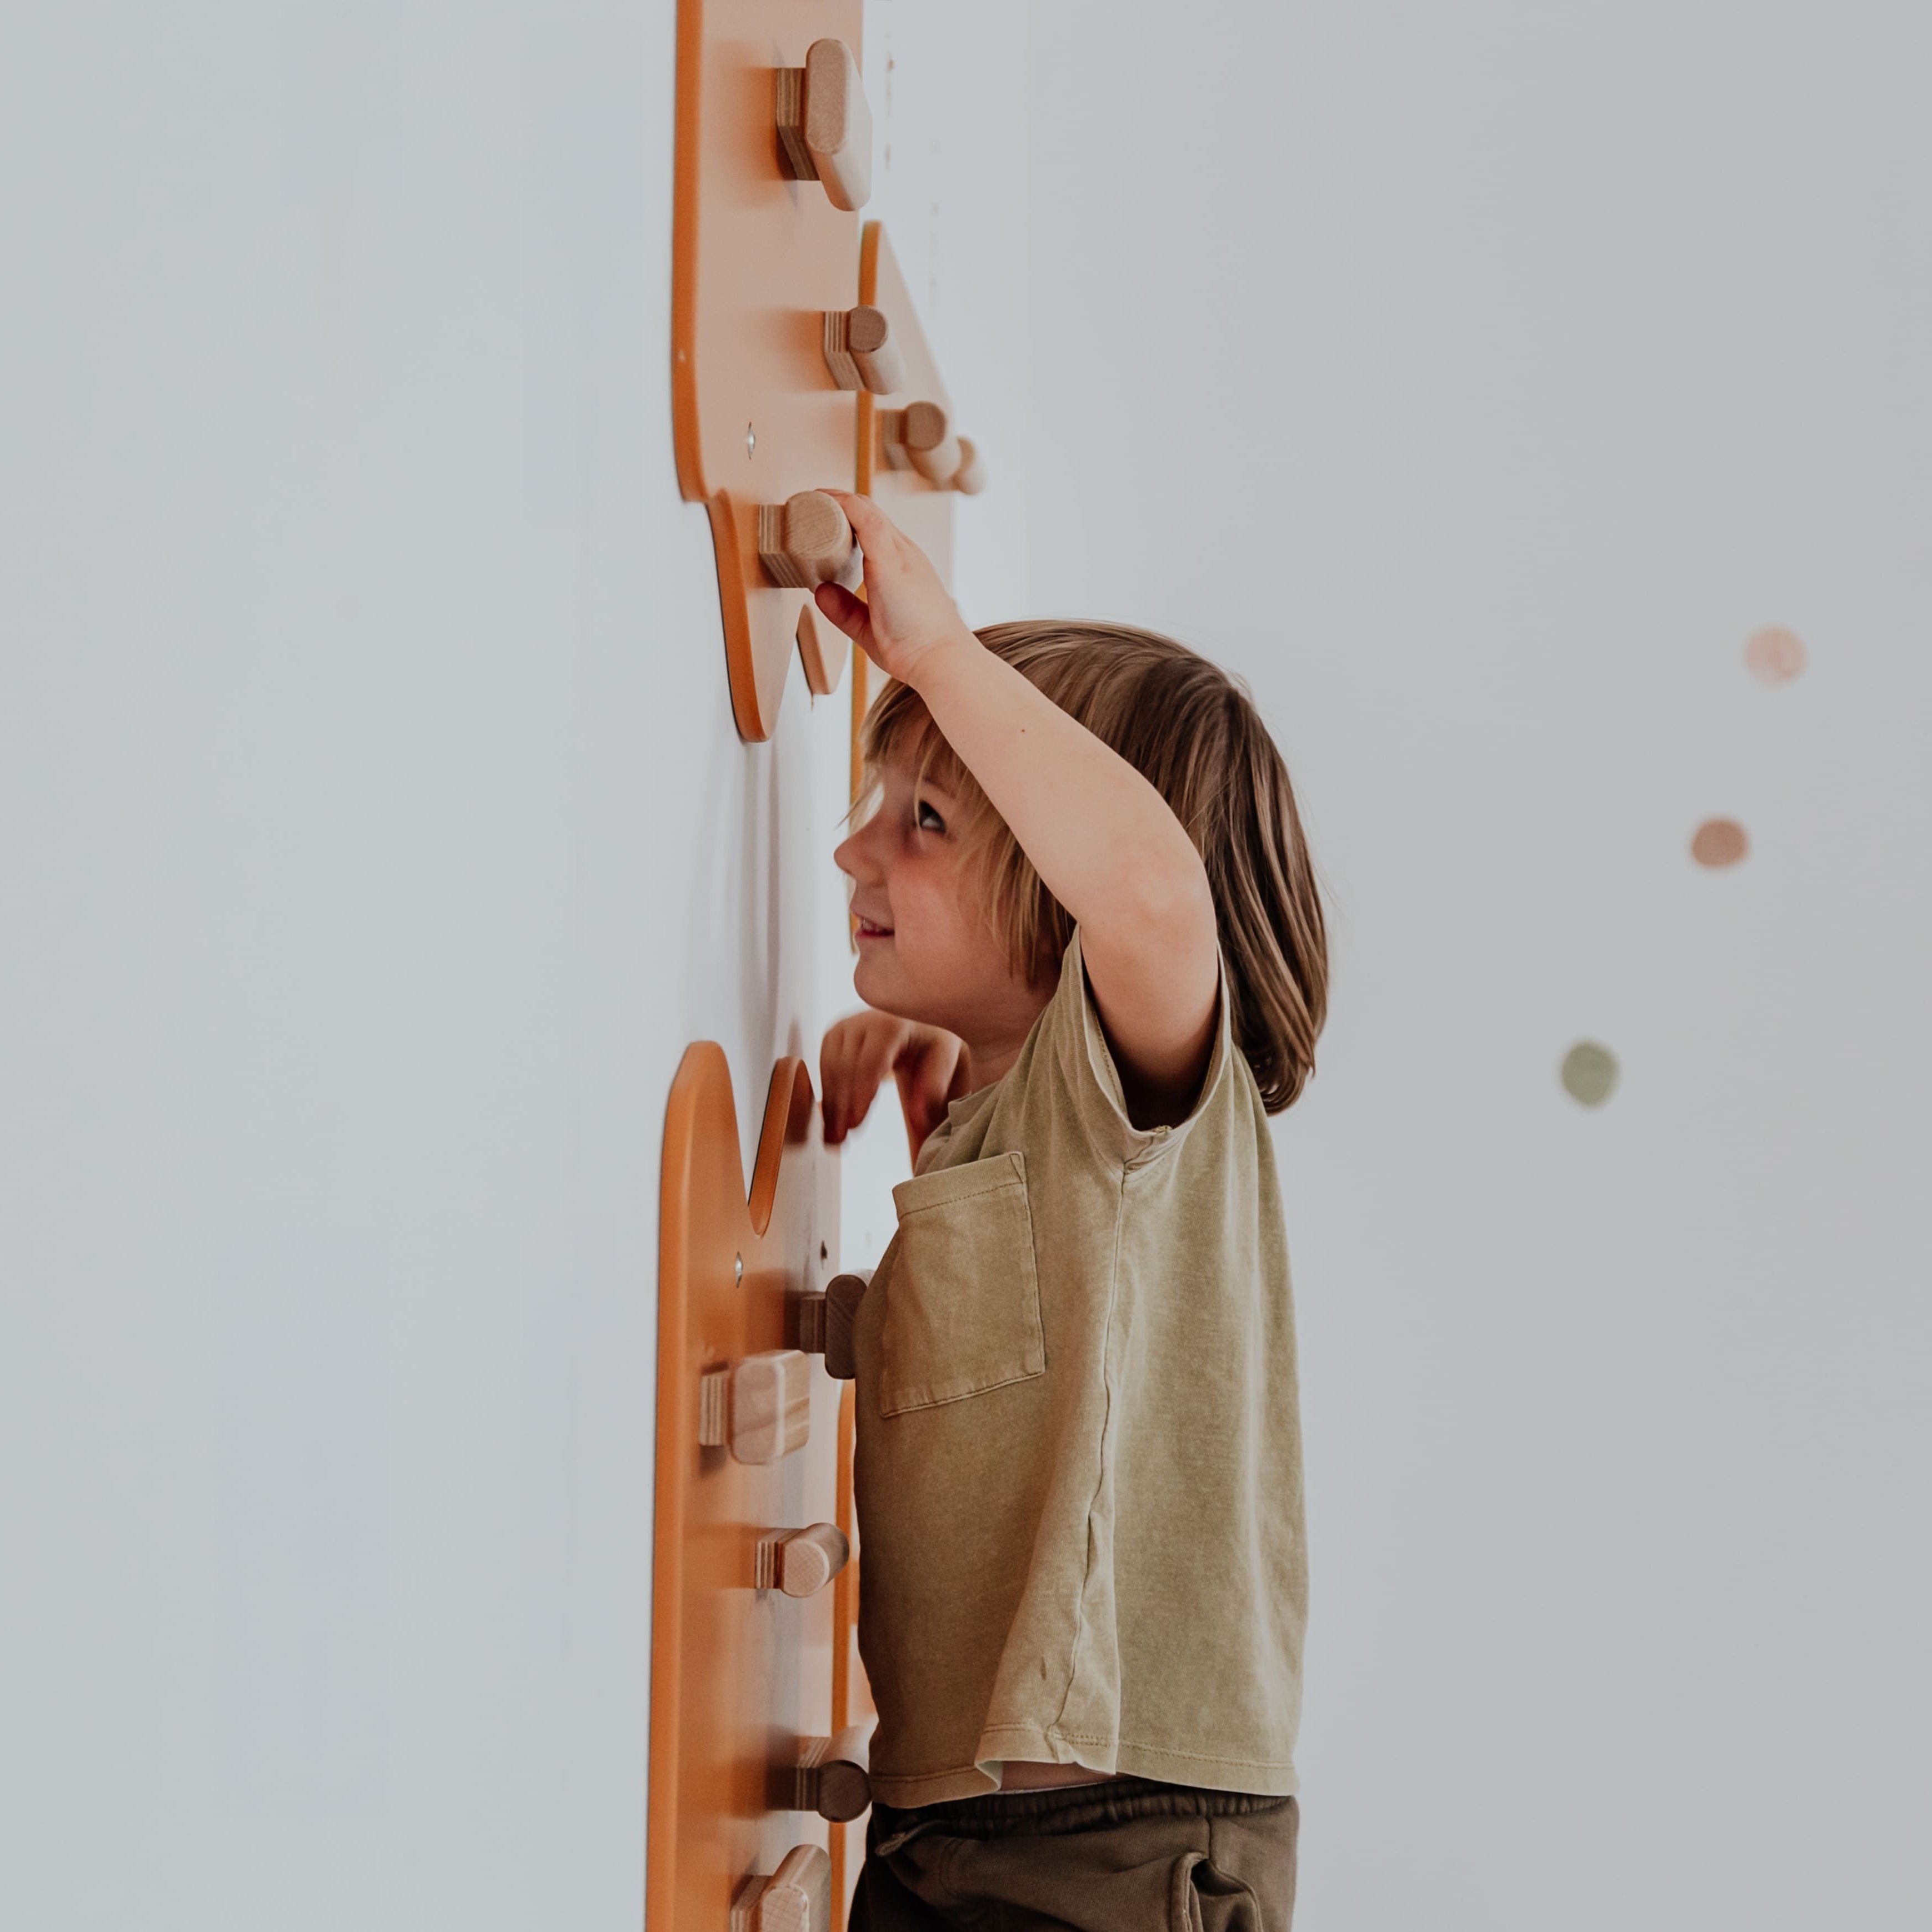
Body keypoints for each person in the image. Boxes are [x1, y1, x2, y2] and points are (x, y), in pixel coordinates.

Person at [813, 490, 1327, 1932]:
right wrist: (924, 1072)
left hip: (1112, 1845)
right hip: (958, 1822)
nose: (860, 854)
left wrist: (942, 661)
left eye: (925, 821)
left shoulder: (1149, 1087)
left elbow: (1155, 905)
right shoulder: (1011, 1108)